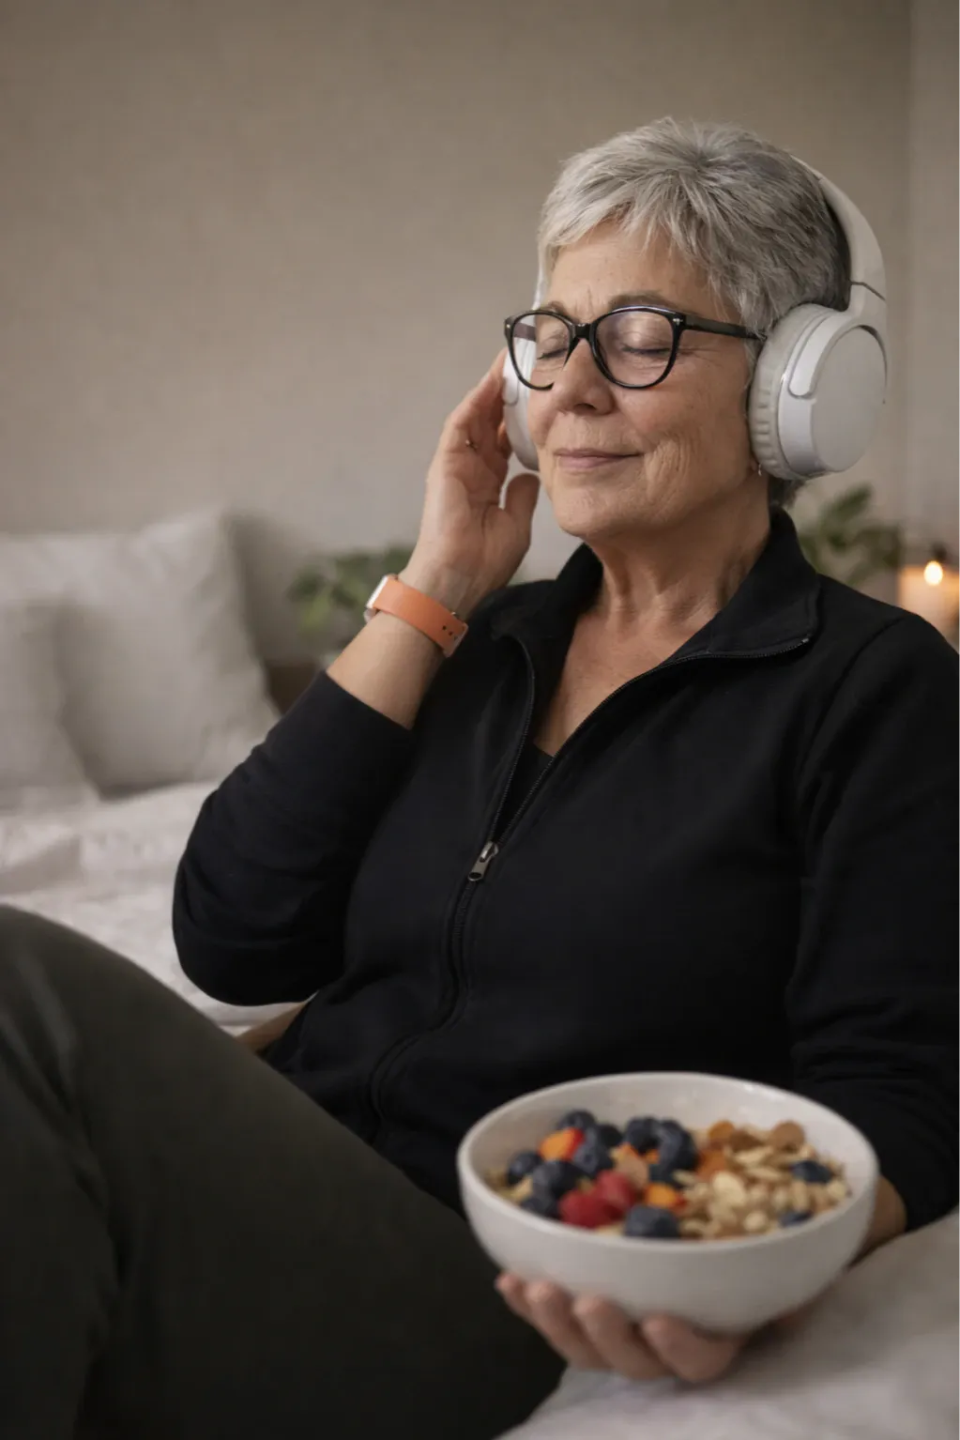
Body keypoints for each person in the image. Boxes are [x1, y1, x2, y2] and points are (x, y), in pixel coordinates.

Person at [3, 118, 959, 1438]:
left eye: (640, 337)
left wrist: (742, 1266)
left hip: (492, 1280)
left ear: (796, 386)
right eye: (551, 337)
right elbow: (234, 934)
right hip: (280, 1186)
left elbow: (908, 1087)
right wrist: (438, 582)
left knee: (17, 988)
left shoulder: (871, 688)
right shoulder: (482, 645)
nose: (569, 389)